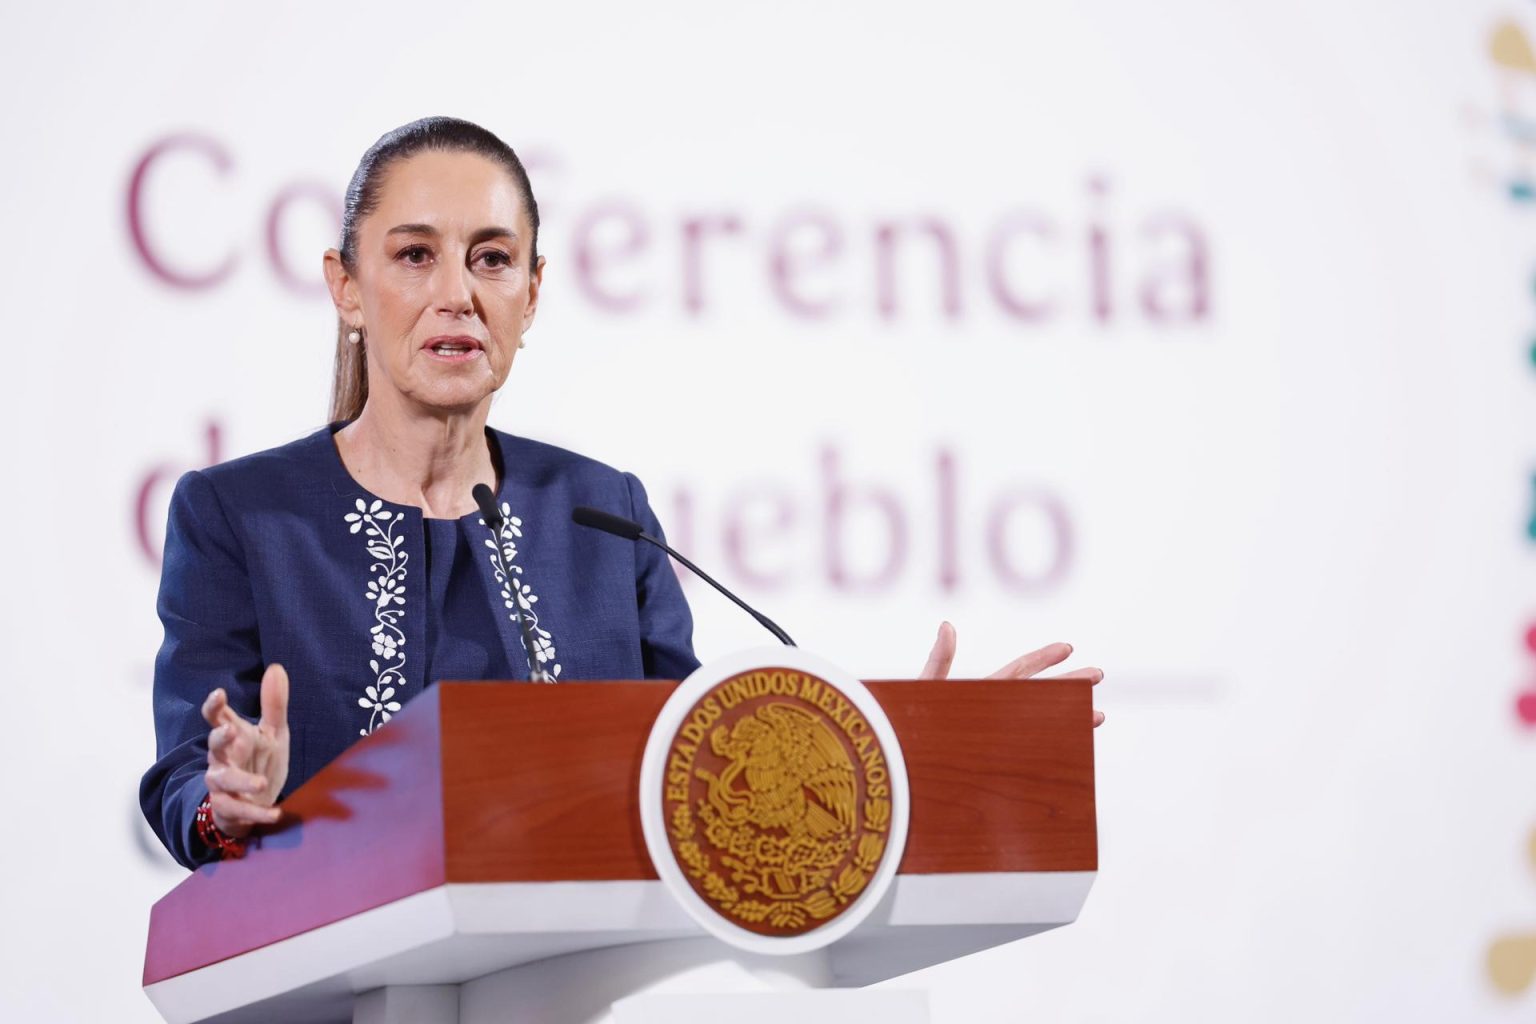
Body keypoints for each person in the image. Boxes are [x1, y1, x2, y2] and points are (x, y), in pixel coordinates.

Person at [140, 116, 1104, 871]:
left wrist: (905, 762)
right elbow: (192, 773)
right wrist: (226, 803)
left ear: (532, 290)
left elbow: (704, 784)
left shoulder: (602, 516)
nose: (459, 294)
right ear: (346, 288)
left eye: (492, 258)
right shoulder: (241, 516)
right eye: (412, 255)